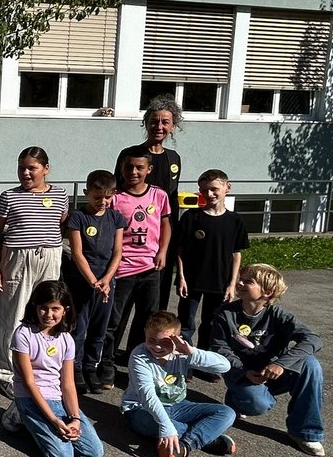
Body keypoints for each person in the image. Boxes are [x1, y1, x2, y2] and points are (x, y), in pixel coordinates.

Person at [211, 263, 326, 457]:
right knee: (258, 404)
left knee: (310, 364)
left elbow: (313, 339)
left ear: (267, 292)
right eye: (240, 279)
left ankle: (305, 431)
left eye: (248, 281)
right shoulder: (226, 313)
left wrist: (281, 364)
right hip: (244, 374)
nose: (240, 283)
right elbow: (219, 348)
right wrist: (243, 371)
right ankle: (236, 399)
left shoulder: (278, 314)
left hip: (273, 372)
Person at [0, 147, 70, 399]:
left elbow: (61, 224)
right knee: (13, 317)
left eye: (31, 168)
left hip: (50, 256)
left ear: (46, 169)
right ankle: (8, 373)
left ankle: (40, 371)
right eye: (21, 168)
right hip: (17, 259)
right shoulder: (9, 197)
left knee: (47, 313)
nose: (25, 173)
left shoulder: (60, 195)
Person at [7, 281, 104, 457]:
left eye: (55, 309)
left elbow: (67, 383)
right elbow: (29, 382)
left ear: (65, 310)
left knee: (93, 451)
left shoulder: (66, 339)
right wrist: (54, 420)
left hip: (57, 397)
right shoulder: (23, 334)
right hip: (30, 396)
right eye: (43, 308)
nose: (48, 314)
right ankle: (21, 416)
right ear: (35, 307)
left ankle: (38, 424)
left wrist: (75, 419)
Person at [98, 146, 171, 389]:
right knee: (114, 320)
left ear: (149, 169)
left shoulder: (159, 195)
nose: (133, 172)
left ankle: (136, 363)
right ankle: (106, 365)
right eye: (128, 167)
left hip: (150, 269)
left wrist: (162, 251)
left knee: (147, 321)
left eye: (139, 167)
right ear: (121, 168)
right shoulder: (115, 198)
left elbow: (165, 225)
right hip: (122, 269)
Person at [121, 311, 236, 457]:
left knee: (227, 413)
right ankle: (207, 437)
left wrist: (192, 352)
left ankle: (185, 445)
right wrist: (166, 426)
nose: (157, 346)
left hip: (179, 406)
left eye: (165, 342)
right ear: (145, 333)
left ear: (177, 338)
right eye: (151, 340)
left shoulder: (182, 353)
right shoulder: (139, 356)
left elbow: (224, 366)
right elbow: (147, 396)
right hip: (140, 410)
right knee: (174, 426)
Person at [116, 95, 183, 309]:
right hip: (131, 240)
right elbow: (117, 195)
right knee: (122, 303)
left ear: (173, 126)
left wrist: (167, 244)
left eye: (165, 122)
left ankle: (151, 332)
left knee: (155, 302)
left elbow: (171, 198)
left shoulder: (174, 158)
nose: (159, 127)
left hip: (162, 236)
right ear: (146, 123)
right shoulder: (132, 156)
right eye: (154, 121)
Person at [64, 170, 125, 394]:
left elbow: (117, 252)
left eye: (107, 197)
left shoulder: (116, 218)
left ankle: (91, 367)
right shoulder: (78, 217)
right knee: (79, 328)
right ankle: (76, 368)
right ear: (86, 193)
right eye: (98, 197)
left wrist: (106, 280)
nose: (102, 201)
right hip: (82, 282)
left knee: (100, 329)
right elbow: (77, 253)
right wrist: (92, 280)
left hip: (106, 283)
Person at [175, 169, 249, 351]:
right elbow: (179, 250)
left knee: (212, 322)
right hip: (192, 281)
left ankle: (205, 359)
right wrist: (181, 277)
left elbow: (236, 254)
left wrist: (232, 283)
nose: (209, 194)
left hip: (219, 282)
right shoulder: (191, 217)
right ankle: (186, 357)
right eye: (204, 190)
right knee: (185, 323)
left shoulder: (235, 220)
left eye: (214, 189)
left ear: (227, 188)